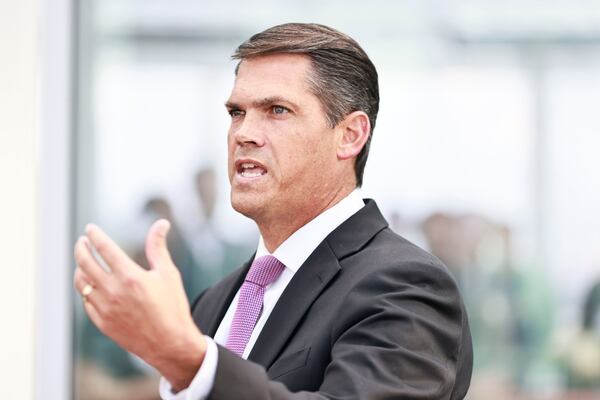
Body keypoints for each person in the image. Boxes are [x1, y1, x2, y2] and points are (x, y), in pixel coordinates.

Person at [73, 23, 473, 399]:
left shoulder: (406, 285)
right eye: (237, 113)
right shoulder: (213, 302)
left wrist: (188, 361)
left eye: (277, 110)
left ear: (350, 135)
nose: (244, 133)